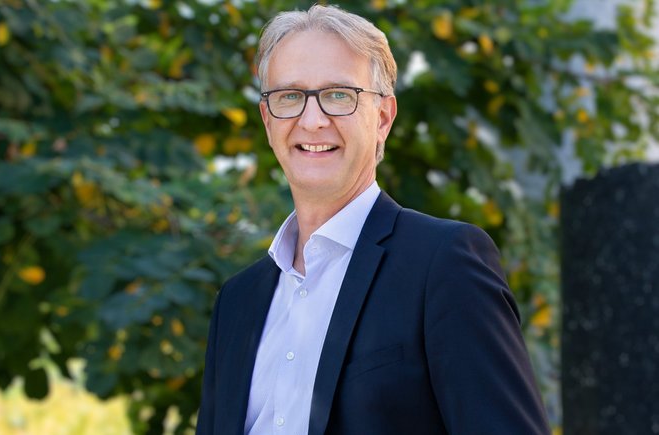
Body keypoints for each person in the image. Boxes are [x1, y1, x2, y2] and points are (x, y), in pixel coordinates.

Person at [196, 4, 550, 435]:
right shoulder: (237, 303)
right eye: (290, 97)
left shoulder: (443, 264)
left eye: (339, 95)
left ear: (382, 117)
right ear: (268, 120)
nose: (312, 120)